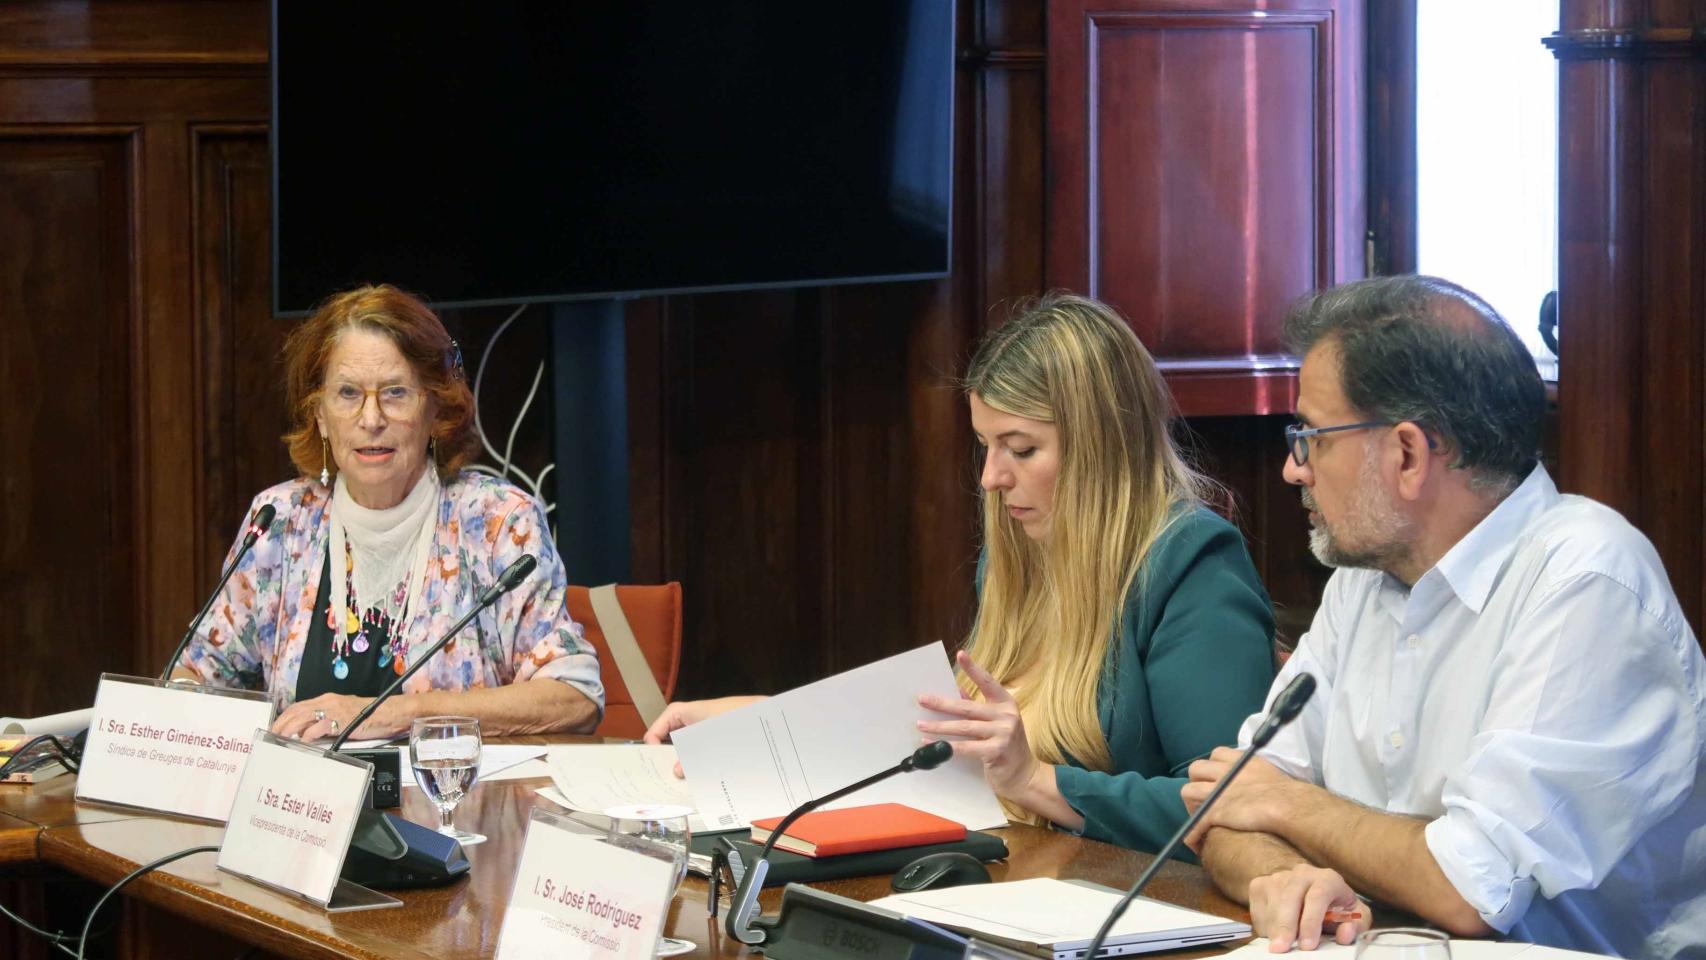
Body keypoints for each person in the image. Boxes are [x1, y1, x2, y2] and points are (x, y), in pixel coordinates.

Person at [1180, 275, 1706, 957]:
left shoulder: (1586, 581)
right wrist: (1286, 875)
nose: (1292, 468)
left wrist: (1290, 806)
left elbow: (1468, 887)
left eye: (1312, 437)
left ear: (1407, 454)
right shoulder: (1361, 579)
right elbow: (1227, 807)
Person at [647, 293, 1276, 852]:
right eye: (985, 445)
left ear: (1103, 446)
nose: (991, 477)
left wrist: (1037, 781)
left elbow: (1230, 809)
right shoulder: (1017, 552)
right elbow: (957, 748)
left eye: (1021, 448)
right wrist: (768, 728)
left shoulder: (1193, 565)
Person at [172, 285, 603, 740]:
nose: (371, 418)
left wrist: (400, 714)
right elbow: (194, 675)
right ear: (320, 415)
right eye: (348, 393)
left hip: (447, 787)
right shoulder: (280, 520)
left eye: (395, 393)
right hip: (300, 786)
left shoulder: (498, 521)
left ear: (435, 408)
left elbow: (574, 695)